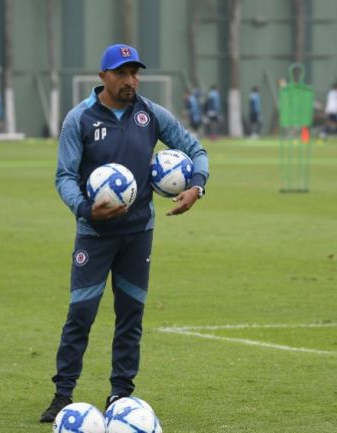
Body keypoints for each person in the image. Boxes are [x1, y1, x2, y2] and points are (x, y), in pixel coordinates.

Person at [39, 43, 209, 423]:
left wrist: (197, 185)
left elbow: (196, 150)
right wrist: (85, 209)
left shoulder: (150, 114)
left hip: (138, 233)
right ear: (103, 77)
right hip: (94, 235)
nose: (131, 80)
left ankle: (121, 394)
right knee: (81, 313)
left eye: (135, 72)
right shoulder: (78, 119)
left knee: (130, 313)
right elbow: (64, 176)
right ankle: (63, 393)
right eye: (122, 73)